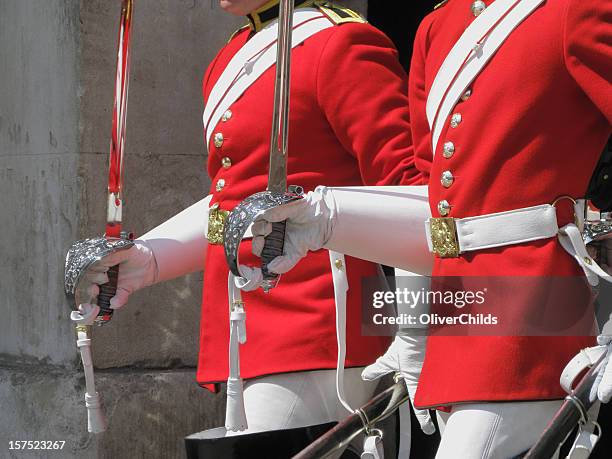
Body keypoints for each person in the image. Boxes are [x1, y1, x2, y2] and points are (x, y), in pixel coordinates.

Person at [244, 0, 612, 457]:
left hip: (537, 315)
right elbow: (437, 211)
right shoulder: (439, 26)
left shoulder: (576, 9)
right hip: (455, 322)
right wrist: (325, 218)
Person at [74, 0, 430, 454]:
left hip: (318, 327)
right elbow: (235, 202)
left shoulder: (341, 43)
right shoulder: (232, 55)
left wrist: (416, 331)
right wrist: (148, 259)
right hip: (243, 326)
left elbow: (415, 196)